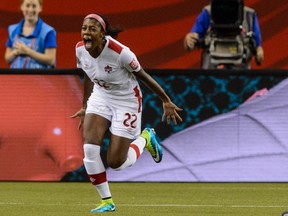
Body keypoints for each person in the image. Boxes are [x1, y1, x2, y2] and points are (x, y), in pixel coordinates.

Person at [71, 13, 182, 213]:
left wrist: (165, 100)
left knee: (117, 163)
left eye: (92, 29)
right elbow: (88, 74)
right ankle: (107, 201)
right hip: (101, 96)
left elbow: (144, 76)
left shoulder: (120, 52)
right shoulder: (80, 49)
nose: (86, 33)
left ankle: (146, 138)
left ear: (103, 33)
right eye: (84, 28)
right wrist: (85, 105)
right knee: (89, 149)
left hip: (126, 101)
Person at [183, 0, 264, 69]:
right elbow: (193, 38)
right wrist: (189, 39)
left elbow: (258, 47)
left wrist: (258, 52)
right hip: (211, 74)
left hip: (240, 75)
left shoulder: (250, 15)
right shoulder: (208, 12)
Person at [4, 0, 56, 68]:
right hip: (16, 77)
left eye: (34, 6)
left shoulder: (48, 31)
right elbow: (7, 59)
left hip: (39, 77)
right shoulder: (12, 30)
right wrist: (16, 52)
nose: (30, 10)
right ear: (21, 6)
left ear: (40, 7)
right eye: (27, 5)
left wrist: (28, 51)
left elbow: (51, 60)